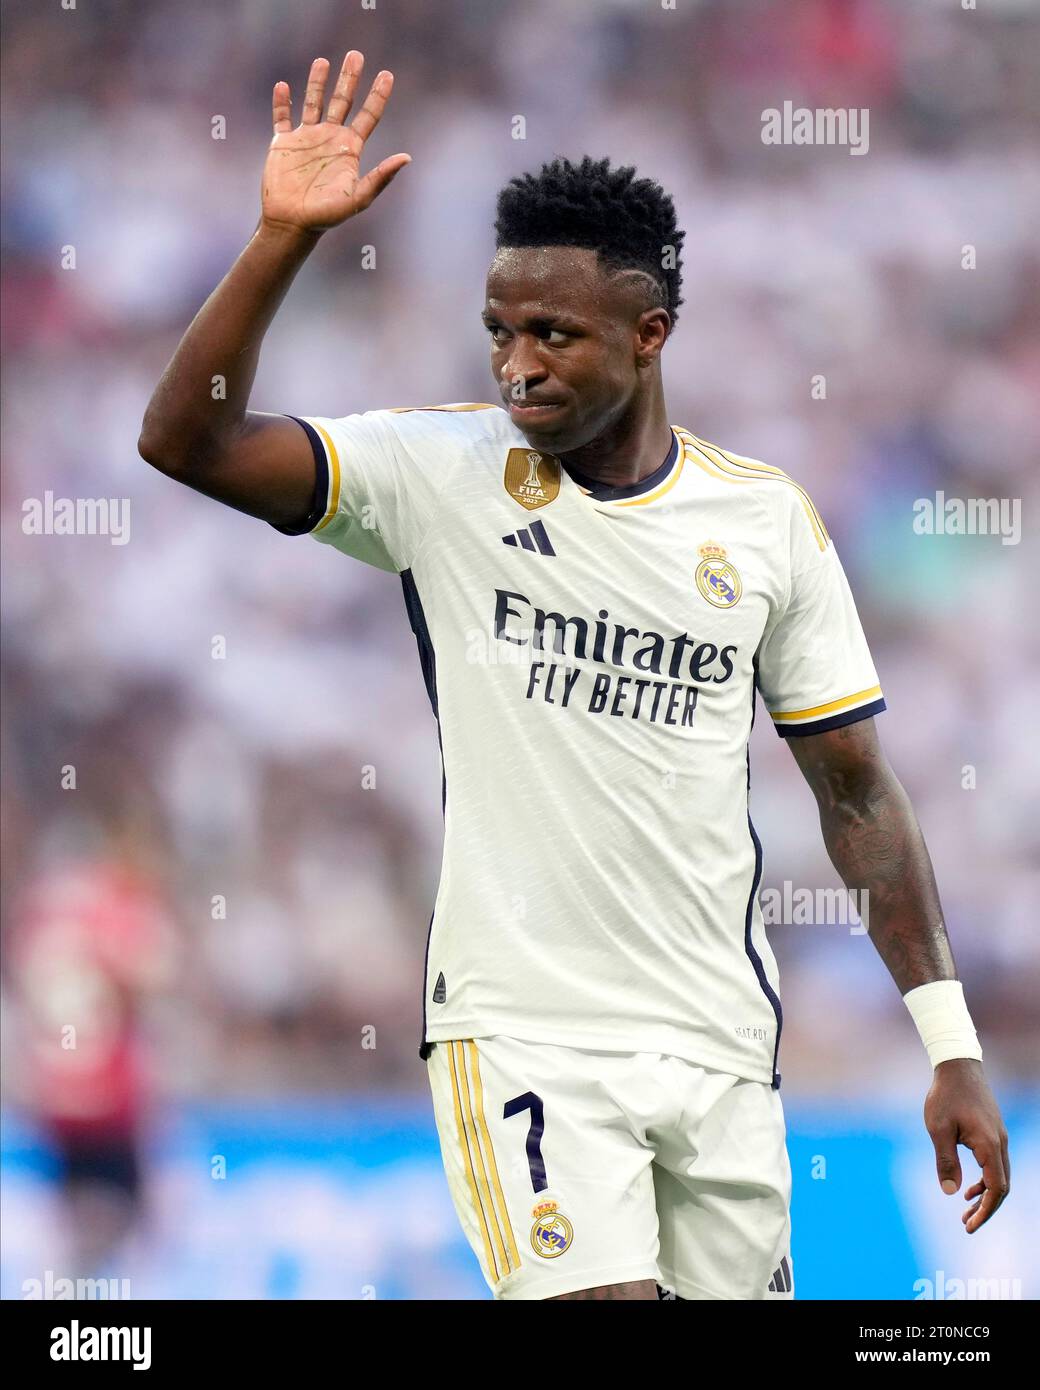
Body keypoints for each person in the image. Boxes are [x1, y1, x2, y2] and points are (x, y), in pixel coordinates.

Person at [138, 50, 1010, 1301]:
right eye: (498, 332)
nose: (517, 367)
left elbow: (858, 794)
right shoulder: (435, 475)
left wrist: (948, 1043)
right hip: (524, 1032)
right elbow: (186, 438)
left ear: (649, 335)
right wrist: (280, 238)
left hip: (717, 1044)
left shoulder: (760, 524)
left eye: (553, 334)